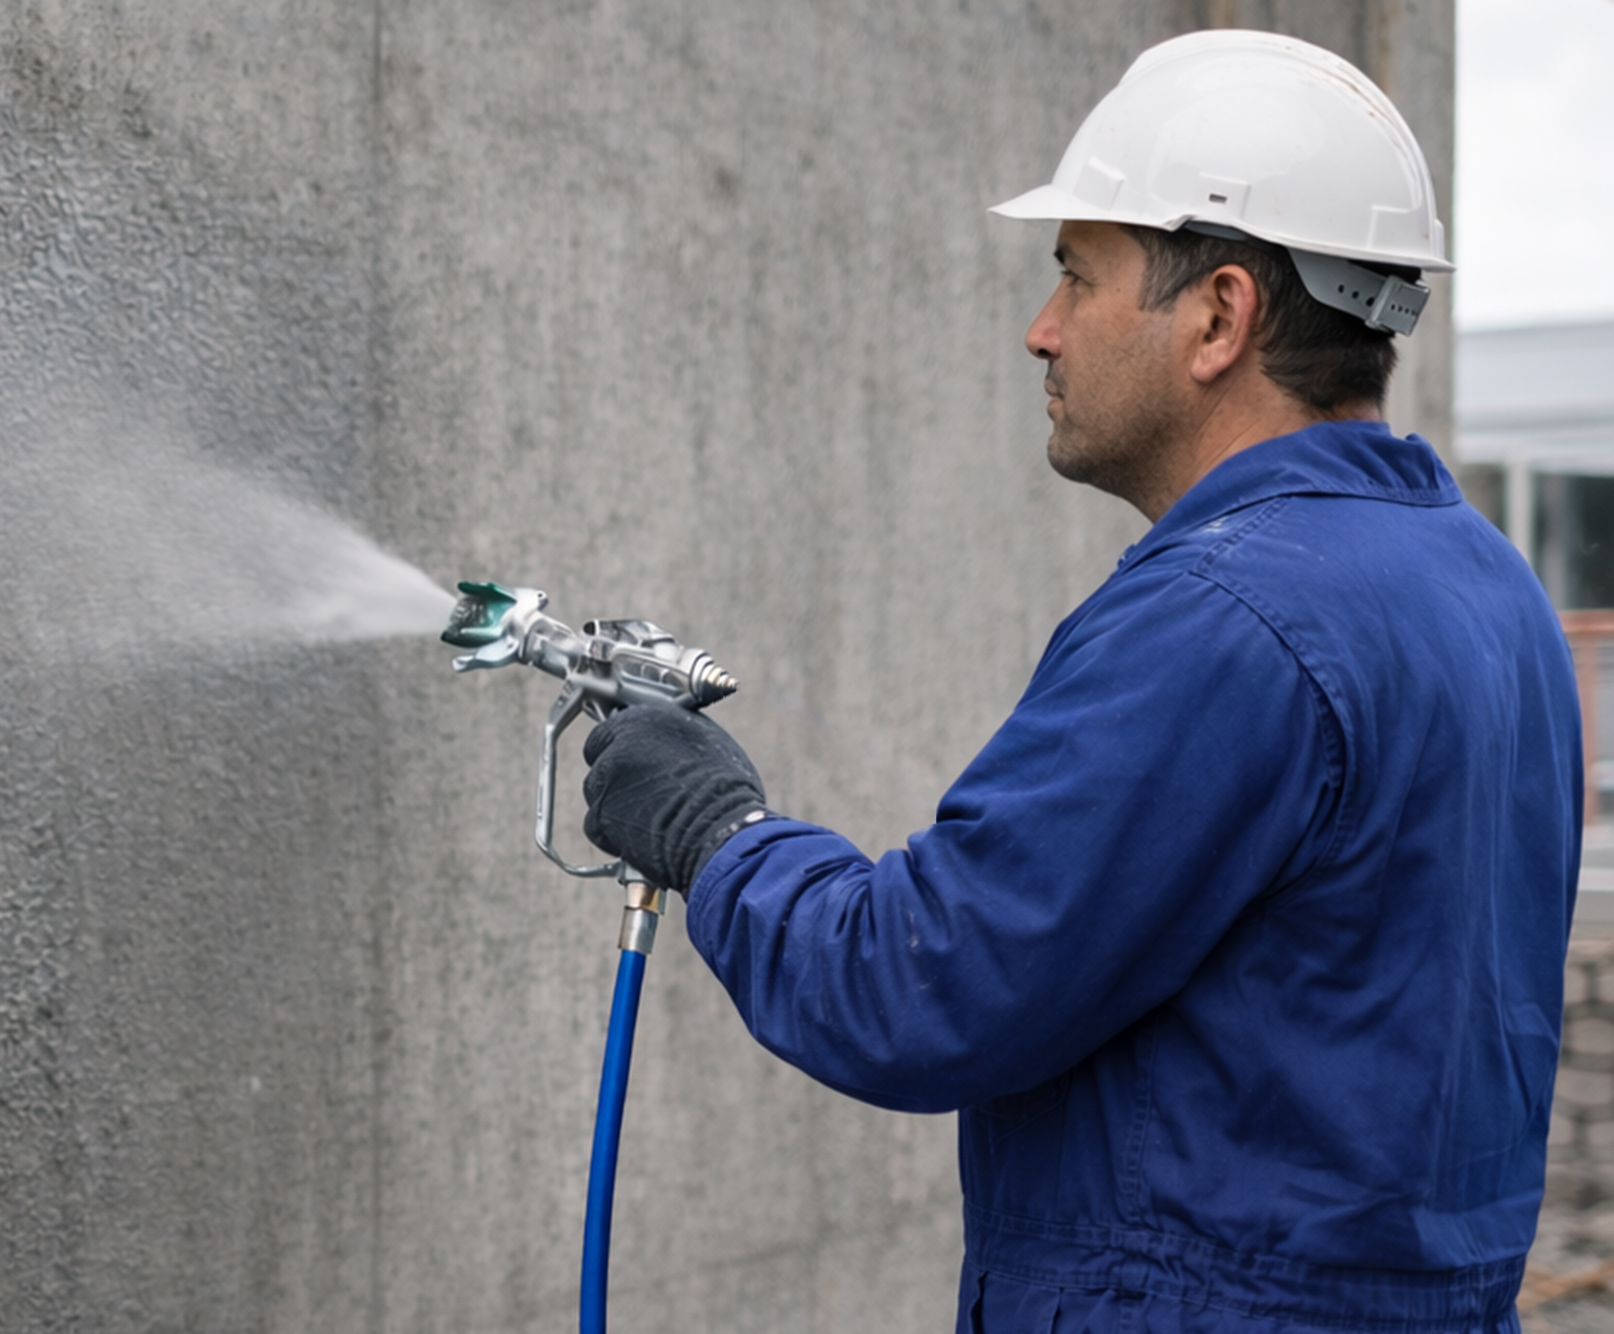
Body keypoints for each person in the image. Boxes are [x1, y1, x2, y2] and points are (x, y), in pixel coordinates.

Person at [579, 29, 1582, 1333]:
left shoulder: (1225, 618)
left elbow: (920, 986)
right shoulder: (1487, 588)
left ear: (1219, 315)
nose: (1041, 331)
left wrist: (718, 833)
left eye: (1076, 276)